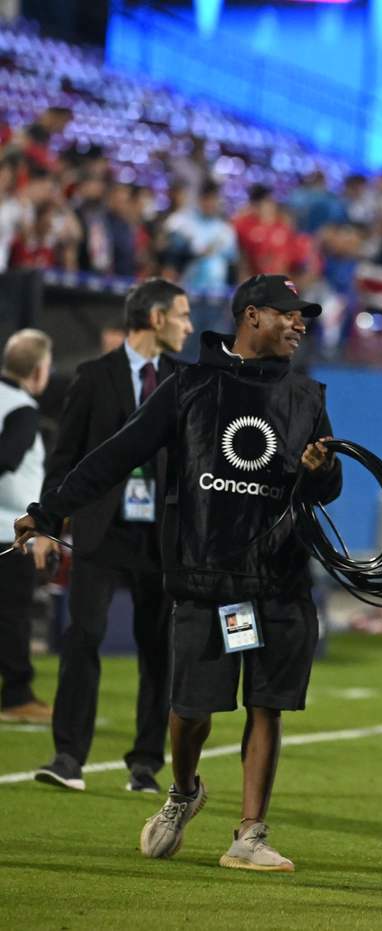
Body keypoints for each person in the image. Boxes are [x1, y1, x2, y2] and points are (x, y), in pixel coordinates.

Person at [15, 273, 342, 873]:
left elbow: (327, 488)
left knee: (265, 704)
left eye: (305, 317)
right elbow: (117, 453)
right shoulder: (190, 385)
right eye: (289, 314)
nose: (301, 324)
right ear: (251, 316)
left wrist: (319, 469)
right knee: (191, 711)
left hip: (279, 578)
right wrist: (48, 511)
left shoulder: (306, 396)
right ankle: (184, 791)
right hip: (206, 578)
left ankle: (250, 833)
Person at [34, 280, 192, 794]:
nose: (190, 327)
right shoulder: (94, 377)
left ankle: (145, 763)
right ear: (155, 318)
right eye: (183, 316)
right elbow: (65, 460)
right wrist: (47, 525)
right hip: (102, 530)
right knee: (83, 637)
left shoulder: (185, 382)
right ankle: (67, 757)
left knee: (157, 649)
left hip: (161, 536)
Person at [0, 329, 52, 725]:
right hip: (9, 531)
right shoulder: (22, 408)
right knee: (14, 615)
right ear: (38, 371)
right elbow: (8, 457)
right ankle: (17, 694)